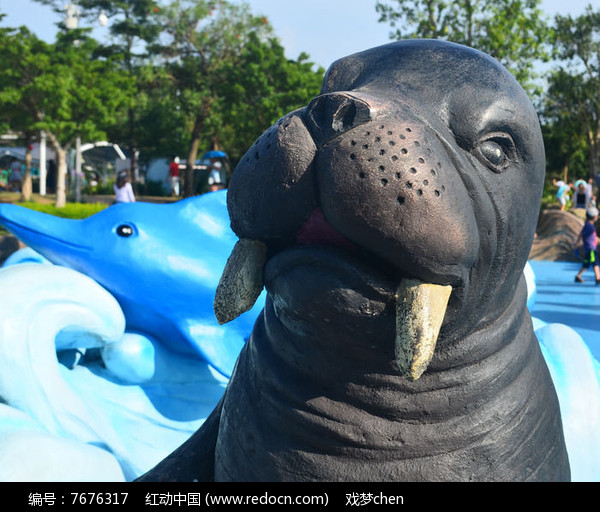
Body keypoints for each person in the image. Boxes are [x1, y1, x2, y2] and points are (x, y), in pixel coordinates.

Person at [574, 207, 600, 285]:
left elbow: (582, 234)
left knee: (586, 264)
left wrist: (577, 243)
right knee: (595, 262)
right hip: (591, 248)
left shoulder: (587, 225)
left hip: (588, 248)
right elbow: (591, 236)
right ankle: (598, 278)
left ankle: (578, 276)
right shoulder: (590, 227)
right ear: (594, 217)